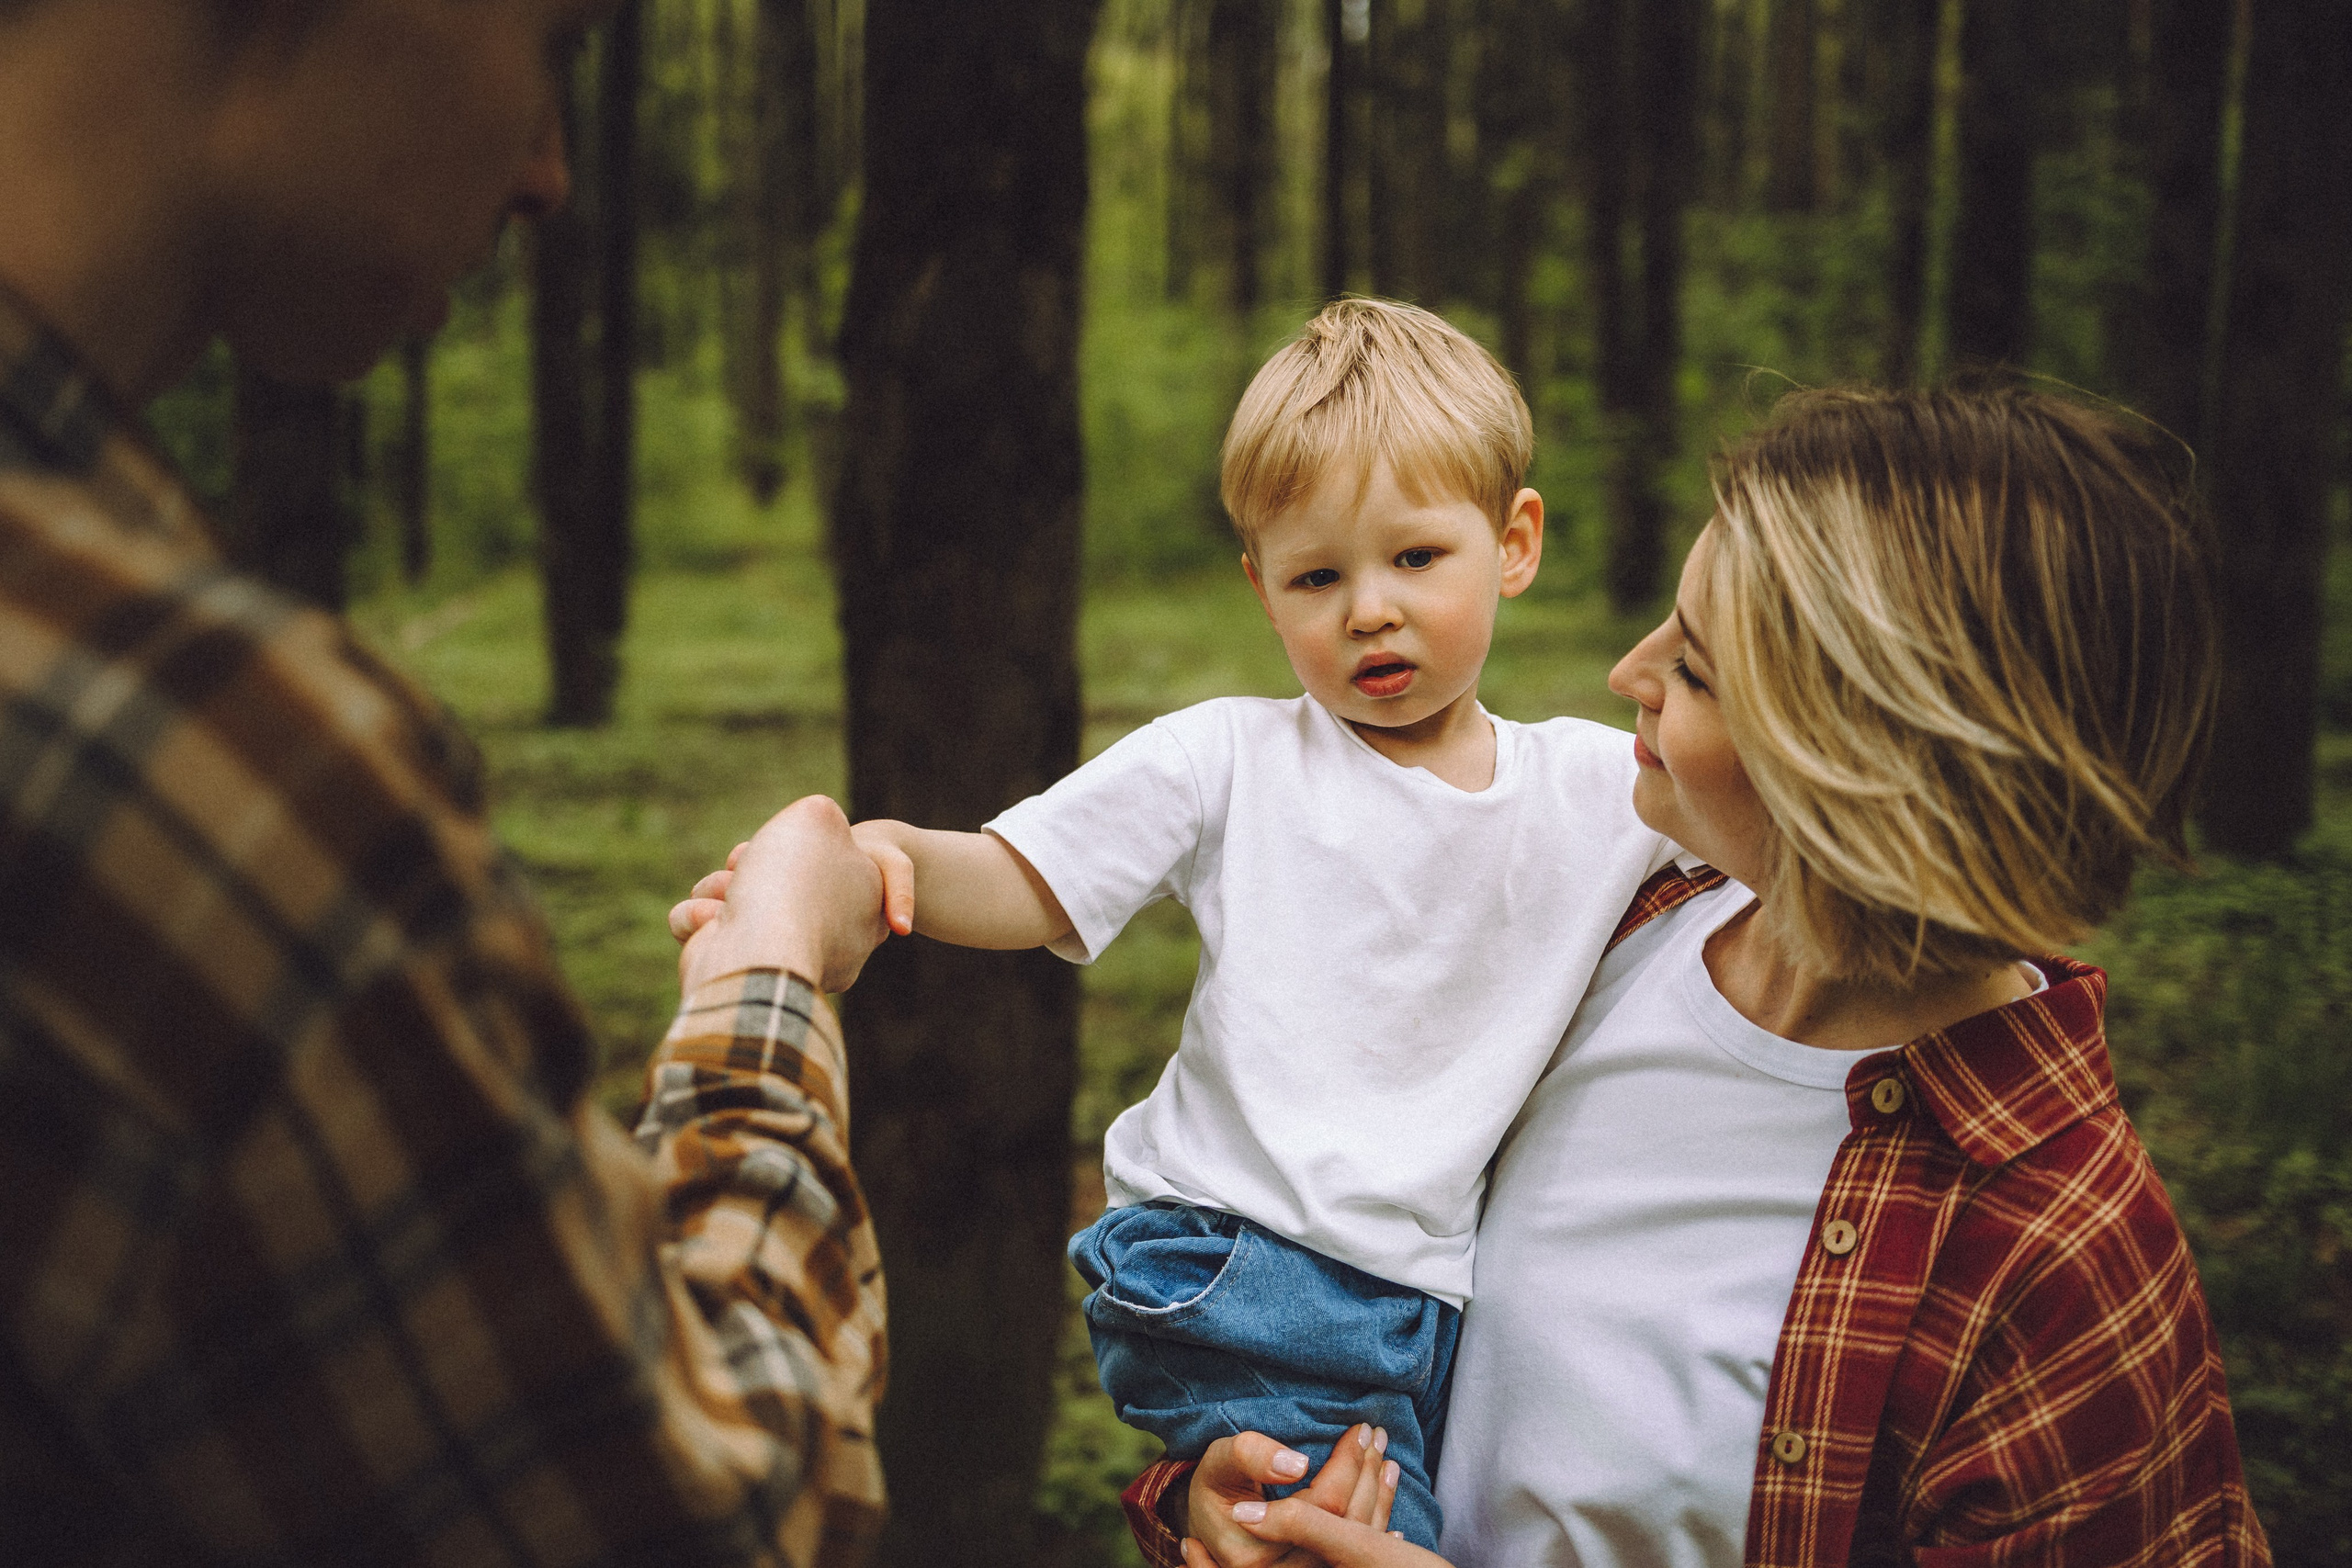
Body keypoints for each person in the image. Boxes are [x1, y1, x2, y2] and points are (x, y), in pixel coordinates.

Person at [0, 3, 896, 1563]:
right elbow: (711, 1519)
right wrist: (771, 982)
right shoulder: (197, 771)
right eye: (549, 36)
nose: (547, 171)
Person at [1129, 386, 2270, 1568]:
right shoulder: (1596, 937)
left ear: (1860, 760)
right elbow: (1324, 1284)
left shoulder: (2052, 1252)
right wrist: (1229, 1485)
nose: (1629, 671)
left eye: (1700, 671)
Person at [837, 299, 1679, 1548]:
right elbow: (1028, 875)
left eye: (1416, 558)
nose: (1370, 609)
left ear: (1515, 541)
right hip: (1249, 1261)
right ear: (1263, 589)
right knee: (1362, 1541)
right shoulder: (1230, 758)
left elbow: (1767, 829)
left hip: (1418, 1291)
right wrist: (884, 859)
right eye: (1318, 576)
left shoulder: (1598, 788)